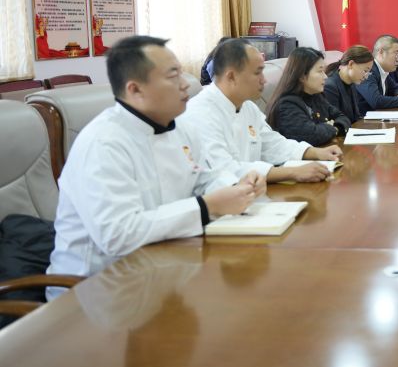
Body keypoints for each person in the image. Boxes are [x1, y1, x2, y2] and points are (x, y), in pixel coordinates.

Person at [47, 36, 264, 295]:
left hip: (164, 266)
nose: (185, 84)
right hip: (96, 289)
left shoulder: (182, 127)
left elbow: (203, 179)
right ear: (135, 90)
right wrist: (207, 207)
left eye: (181, 73)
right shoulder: (103, 143)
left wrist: (238, 187)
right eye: (173, 76)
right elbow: (118, 235)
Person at [181, 38, 341, 183]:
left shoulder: (248, 106)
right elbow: (225, 170)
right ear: (231, 76)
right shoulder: (201, 112)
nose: (264, 80)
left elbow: (272, 143)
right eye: (257, 73)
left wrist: (315, 153)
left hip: (251, 191)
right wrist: (293, 172)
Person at [266, 47, 350, 145]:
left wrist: (330, 127)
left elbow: (342, 117)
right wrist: (333, 128)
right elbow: (312, 136)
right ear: (302, 75)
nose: (325, 76)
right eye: (320, 71)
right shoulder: (286, 104)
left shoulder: (316, 96)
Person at [356, 35, 398, 114]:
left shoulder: (383, 71)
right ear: (381, 52)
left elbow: (395, 88)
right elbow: (376, 101)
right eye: (396, 54)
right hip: (362, 119)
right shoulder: (369, 70)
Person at [323, 45, 374, 127]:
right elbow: (335, 122)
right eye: (365, 71)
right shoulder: (330, 87)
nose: (366, 77)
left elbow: (355, 117)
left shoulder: (351, 84)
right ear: (351, 64)